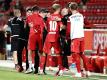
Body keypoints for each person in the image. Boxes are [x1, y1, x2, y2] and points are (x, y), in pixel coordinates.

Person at [40, 4, 64, 76]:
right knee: (58, 54)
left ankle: (41, 70)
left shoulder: (49, 17)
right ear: (59, 9)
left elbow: (46, 28)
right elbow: (62, 27)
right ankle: (60, 70)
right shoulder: (59, 17)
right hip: (55, 36)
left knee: (44, 53)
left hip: (49, 36)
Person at [69, 2, 90, 77]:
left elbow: (68, 29)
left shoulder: (70, 18)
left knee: (76, 54)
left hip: (75, 38)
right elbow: (88, 23)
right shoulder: (81, 16)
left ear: (70, 9)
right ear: (77, 8)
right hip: (82, 36)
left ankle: (78, 72)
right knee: (82, 54)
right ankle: (87, 71)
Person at [25, 6, 46, 74]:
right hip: (40, 36)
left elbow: (28, 26)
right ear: (38, 11)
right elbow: (43, 28)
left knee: (30, 51)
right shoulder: (41, 18)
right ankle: (41, 69)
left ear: (33, 11)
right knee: (40, 53)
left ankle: (30, 68)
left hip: (32, 35)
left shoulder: (29, 17)